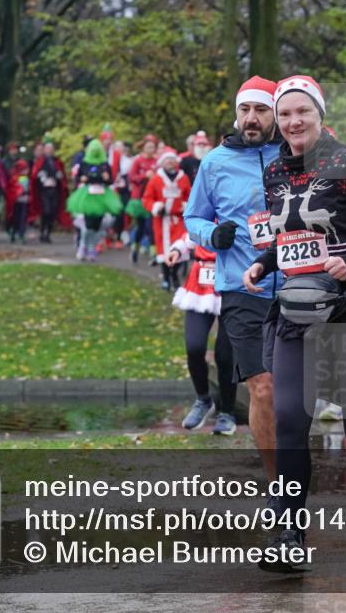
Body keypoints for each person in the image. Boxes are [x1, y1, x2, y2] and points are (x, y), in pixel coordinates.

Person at [242, 75, 346, 571]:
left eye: (303, 113)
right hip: (297, 312)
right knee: (291, 419)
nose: (294, 122)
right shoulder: (274, 174)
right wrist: (265, 265)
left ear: (319, 115)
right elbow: (290, 236)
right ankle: (290, 533)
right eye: (286, 113)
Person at [184, 76, 282, 489]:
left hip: (298, 284)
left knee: (293, 393)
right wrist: (211, 235)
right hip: (242, 288)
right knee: (262, 388)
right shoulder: (216, 162)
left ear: (275, 113)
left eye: (260, 110)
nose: (251, 118)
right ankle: (280, 484)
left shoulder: (296, 153)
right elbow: (194, 218)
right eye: (245, 110)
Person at [165, 234, 238, 436]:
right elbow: (191, 232)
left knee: (225, 355)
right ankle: (203, 399)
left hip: (234, 281)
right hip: (200, 281)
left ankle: (227, 412)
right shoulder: (204, 206)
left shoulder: (242, 207)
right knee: (194, 346)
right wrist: (177, 250)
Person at [66, 138, 123, 261]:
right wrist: (82, 179)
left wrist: (106, 178)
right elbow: (77, 178)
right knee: (87, 225)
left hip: (101, 196)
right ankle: (83, 246)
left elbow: (110, 181)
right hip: (88, 197)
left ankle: (92, 248)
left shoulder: (104, 164)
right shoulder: (84, 163)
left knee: (97, 226)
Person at [142, 148, 190, 290]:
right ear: (162, 162)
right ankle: (166, 277)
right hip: (161, 221)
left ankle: (174, 275)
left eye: (172, 159)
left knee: (180, 247)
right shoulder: (156, 179)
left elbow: (190, 195)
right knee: (163, 249)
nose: (169, 161)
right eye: (167, 159)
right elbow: (147, 198)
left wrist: (185, 205)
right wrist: (156, 206)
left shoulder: (183, 177)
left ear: (176, 162)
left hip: (178, 219)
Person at [125, 137, 157, 263]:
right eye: (149, 147)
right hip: (139, 198)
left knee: (151, 226)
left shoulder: (157, 161)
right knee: (140, 226)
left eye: (153, 147)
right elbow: (132, 177)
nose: (151, 150)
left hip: (152, 198)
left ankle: (153, 253)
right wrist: (145, 176)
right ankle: (135, 249)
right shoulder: (138, 160)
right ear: (144, 148)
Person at [33, 142, 66, 243]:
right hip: (44, 190)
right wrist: (41, 176)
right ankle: (43, 231)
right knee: (46, 211)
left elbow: (61, 174)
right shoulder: (41, 161)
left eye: (51, 148)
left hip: (54, 189)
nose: (49, 150)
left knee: (53, 212)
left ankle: (48, 233)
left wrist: (59, 176)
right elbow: (35, 174)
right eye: (47, 148)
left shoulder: (57, 161)